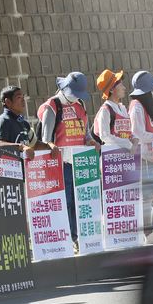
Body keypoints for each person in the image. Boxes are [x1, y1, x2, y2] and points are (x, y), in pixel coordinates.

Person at [37, 72, 99, 243]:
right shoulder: (53, 106)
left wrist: (91, 142)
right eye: (73, 93)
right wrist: (51, 146)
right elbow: (46, 139)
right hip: (62, 163)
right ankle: (70, 238)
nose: (75, 97)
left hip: (80, 162)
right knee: (67, 201)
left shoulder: (80, 104)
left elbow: (85, 134)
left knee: (81, 202)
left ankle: (80, 237)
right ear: (63, 89)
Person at [0, 85, 56, 160]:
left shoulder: (24, 122)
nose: (23, 100)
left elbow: (35, 144)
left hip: (26, 168)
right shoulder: (3, 120)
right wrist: (21, 147)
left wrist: (49, 145)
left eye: (23, 97)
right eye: (19, 98)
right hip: (12, 167)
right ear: (8, 102)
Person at [93, 69, 139, 153]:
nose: (124, 88)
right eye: (120, 85)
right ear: (111, 89)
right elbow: (105, 136)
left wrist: (134, 138)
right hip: (112, 157)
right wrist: (128, 144)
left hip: (126, 156)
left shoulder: (122, 108)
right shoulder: (105, 110)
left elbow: (127, 131)